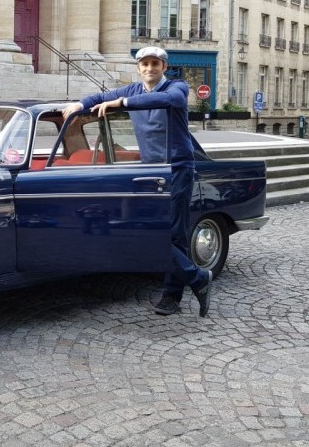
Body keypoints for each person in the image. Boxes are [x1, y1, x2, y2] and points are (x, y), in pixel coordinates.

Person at [62, 46, 212, 317]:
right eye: (144, 64)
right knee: (147, 231)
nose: (149, 68)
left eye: (155, 63)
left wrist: (122, 104)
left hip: (177, 167)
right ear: (139, 68)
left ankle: (172, 295)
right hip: (151, 170)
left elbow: (170, 102)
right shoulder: (132, 90)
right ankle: (198, 278)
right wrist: (80, 104)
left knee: (175, 233)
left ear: (164, 67)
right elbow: (101, 96)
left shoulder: (177, 87)